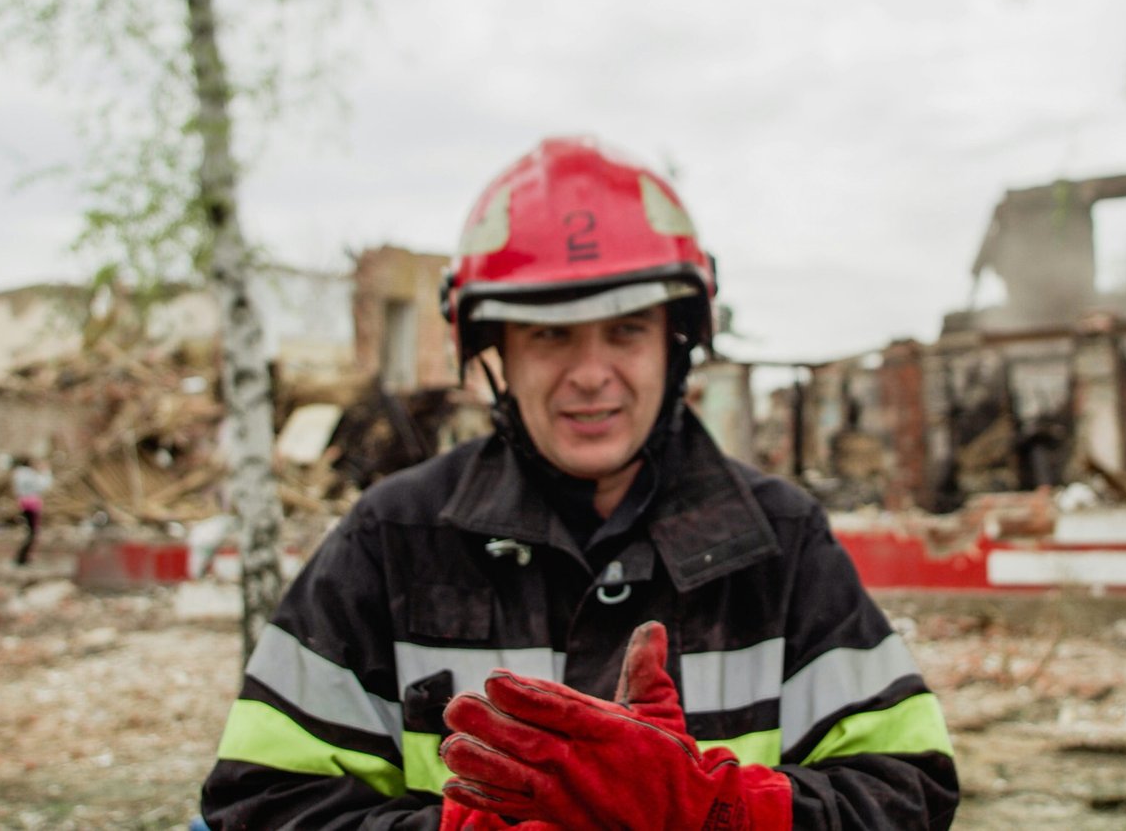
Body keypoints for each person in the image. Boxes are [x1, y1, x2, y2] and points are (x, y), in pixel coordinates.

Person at [200, 137, 960, 829]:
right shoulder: (393, 537)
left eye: (626, 330)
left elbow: (908, 791)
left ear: (677, 343)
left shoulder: (778, 542)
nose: (591, 374)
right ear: (495, 350)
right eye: (549, 334)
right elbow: (261, 802)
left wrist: (715, 813)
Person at [10, 456, 52, 566]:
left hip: (23, 503)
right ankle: (22, 557)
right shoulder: (29, 475)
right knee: (32, 532)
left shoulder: (17, 474)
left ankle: (22, 557)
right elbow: (42, 485)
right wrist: (46, 472)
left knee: (29, 531)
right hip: (32, 504)